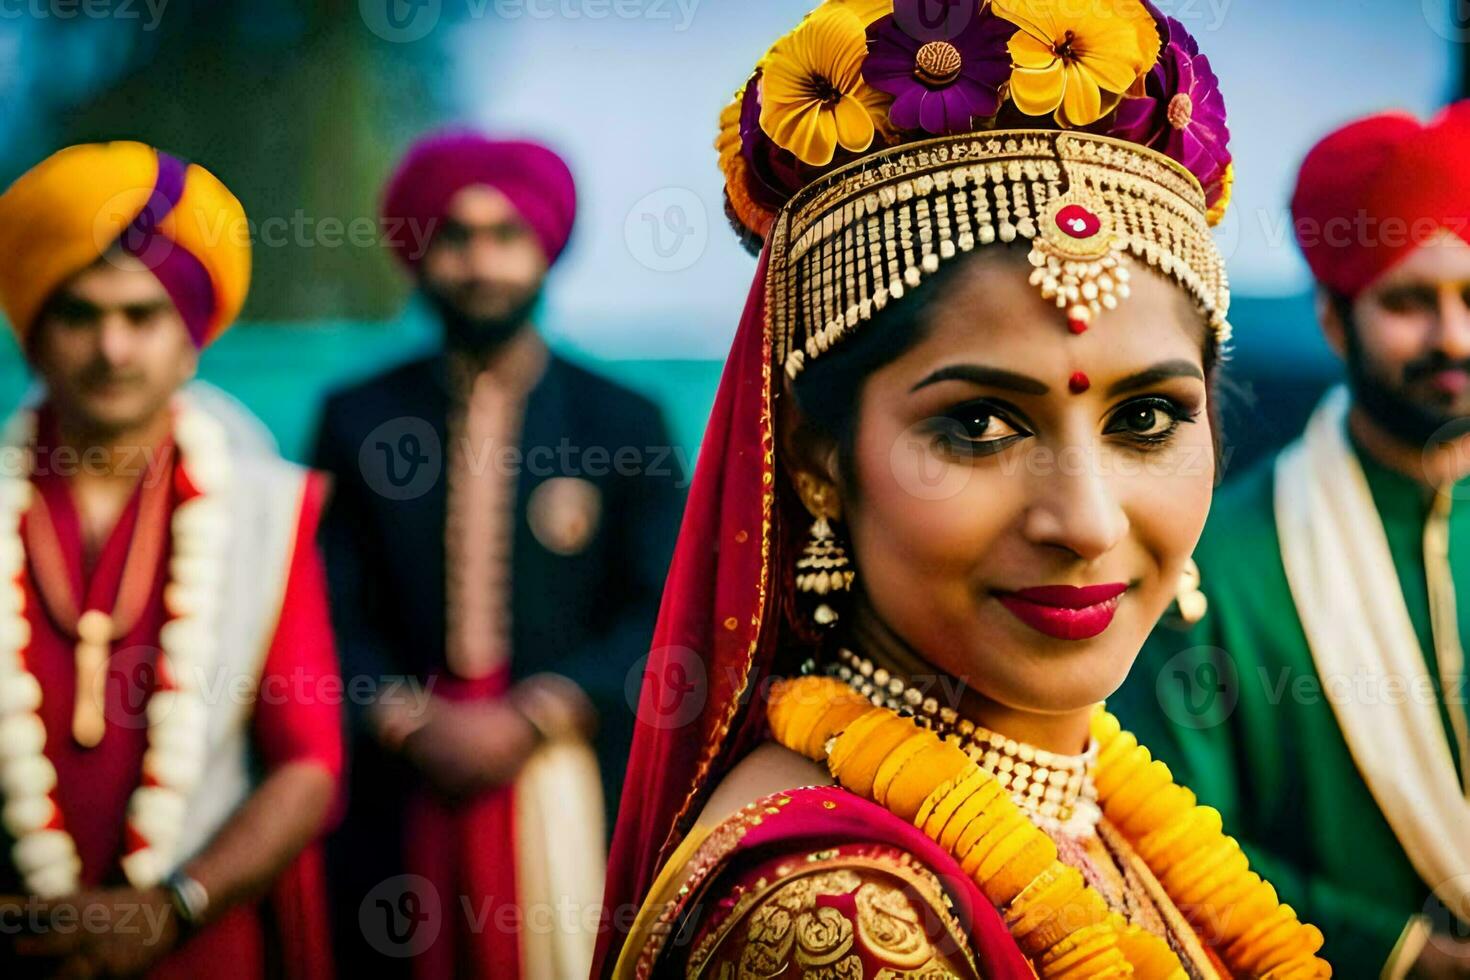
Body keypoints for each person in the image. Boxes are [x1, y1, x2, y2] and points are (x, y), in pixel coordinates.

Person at [593, 1, 1334, 977]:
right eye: (980, 424)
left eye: (1147, 418)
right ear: (819, 459)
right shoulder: (835, 921)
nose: (1085, 519)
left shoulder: (1086, 796)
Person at [313, 130, 684, 979]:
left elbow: (662, 612)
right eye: (456, 236)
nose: (482, 262)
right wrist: (408, 720)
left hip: (572, 770)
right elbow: (324, 606)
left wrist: (531, 716)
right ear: (421, 254)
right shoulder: (357, 417)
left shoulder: (622, 423)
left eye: (507, 235)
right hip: (396, 783)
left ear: (546, 249)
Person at [1116, 103, 1470, 977]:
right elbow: (1172, 844)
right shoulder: (1213, 572)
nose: (1452, 337)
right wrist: (1400, 954)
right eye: (1410, 303)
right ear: (1333, 321)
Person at [0, 141, 342, 978]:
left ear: (191, 340)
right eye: (80, 313)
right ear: (35, 339)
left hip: (201, 942)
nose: (112, 347)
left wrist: (170, 907)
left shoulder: (265, 510)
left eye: (142, 315)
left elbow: (309, 765)